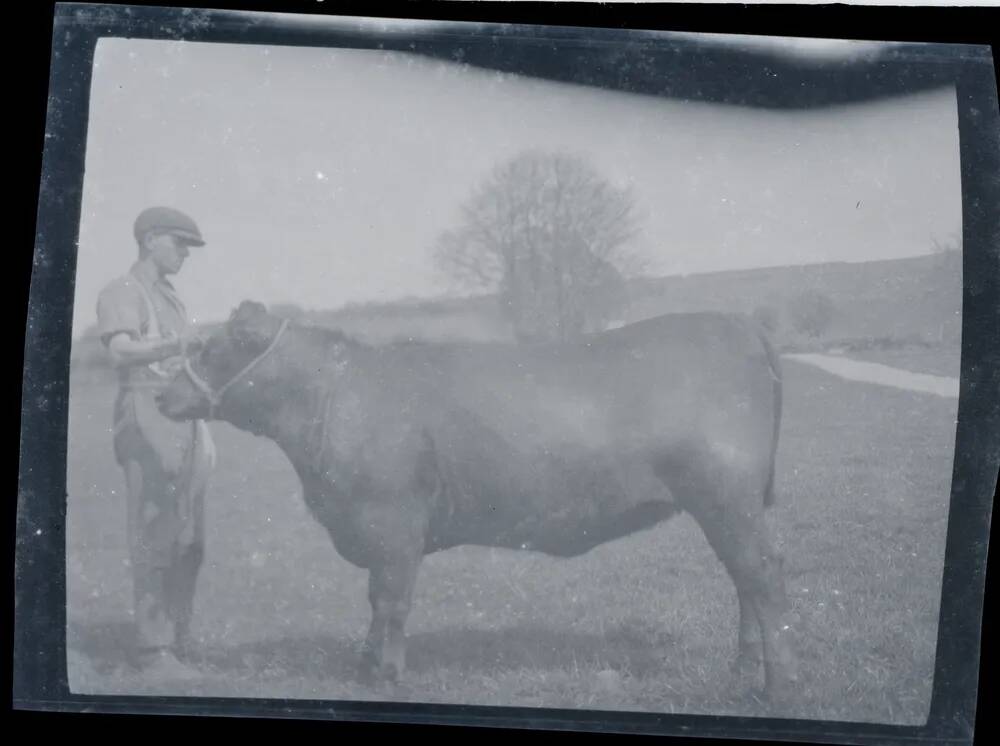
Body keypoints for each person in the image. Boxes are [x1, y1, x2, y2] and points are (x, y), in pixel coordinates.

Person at [96, 206, 216, 680]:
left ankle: (175, 640)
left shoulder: (169, 295)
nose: (185, 253)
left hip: (179, 413)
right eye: (179, 242)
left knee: (190, 536)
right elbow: (119, 351)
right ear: (149, 240)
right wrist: (173, 346)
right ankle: (152, 651)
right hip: (145, 413)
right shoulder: (123, 290)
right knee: (155, 532)